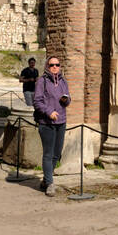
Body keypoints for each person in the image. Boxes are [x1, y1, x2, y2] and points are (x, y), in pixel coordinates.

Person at [32, 56, 71, 197]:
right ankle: (50, 183)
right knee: (48, 154)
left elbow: (68, 97)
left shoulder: (63, 81)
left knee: (56, 154)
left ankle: (46, 179)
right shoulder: (42, 81)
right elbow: (37, 101)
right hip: (46, 123)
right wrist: (49, 112)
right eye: (52, 65)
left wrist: (66, 100)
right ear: (47, 66)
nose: (55, 67)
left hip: (61, 121)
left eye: (57, 64)